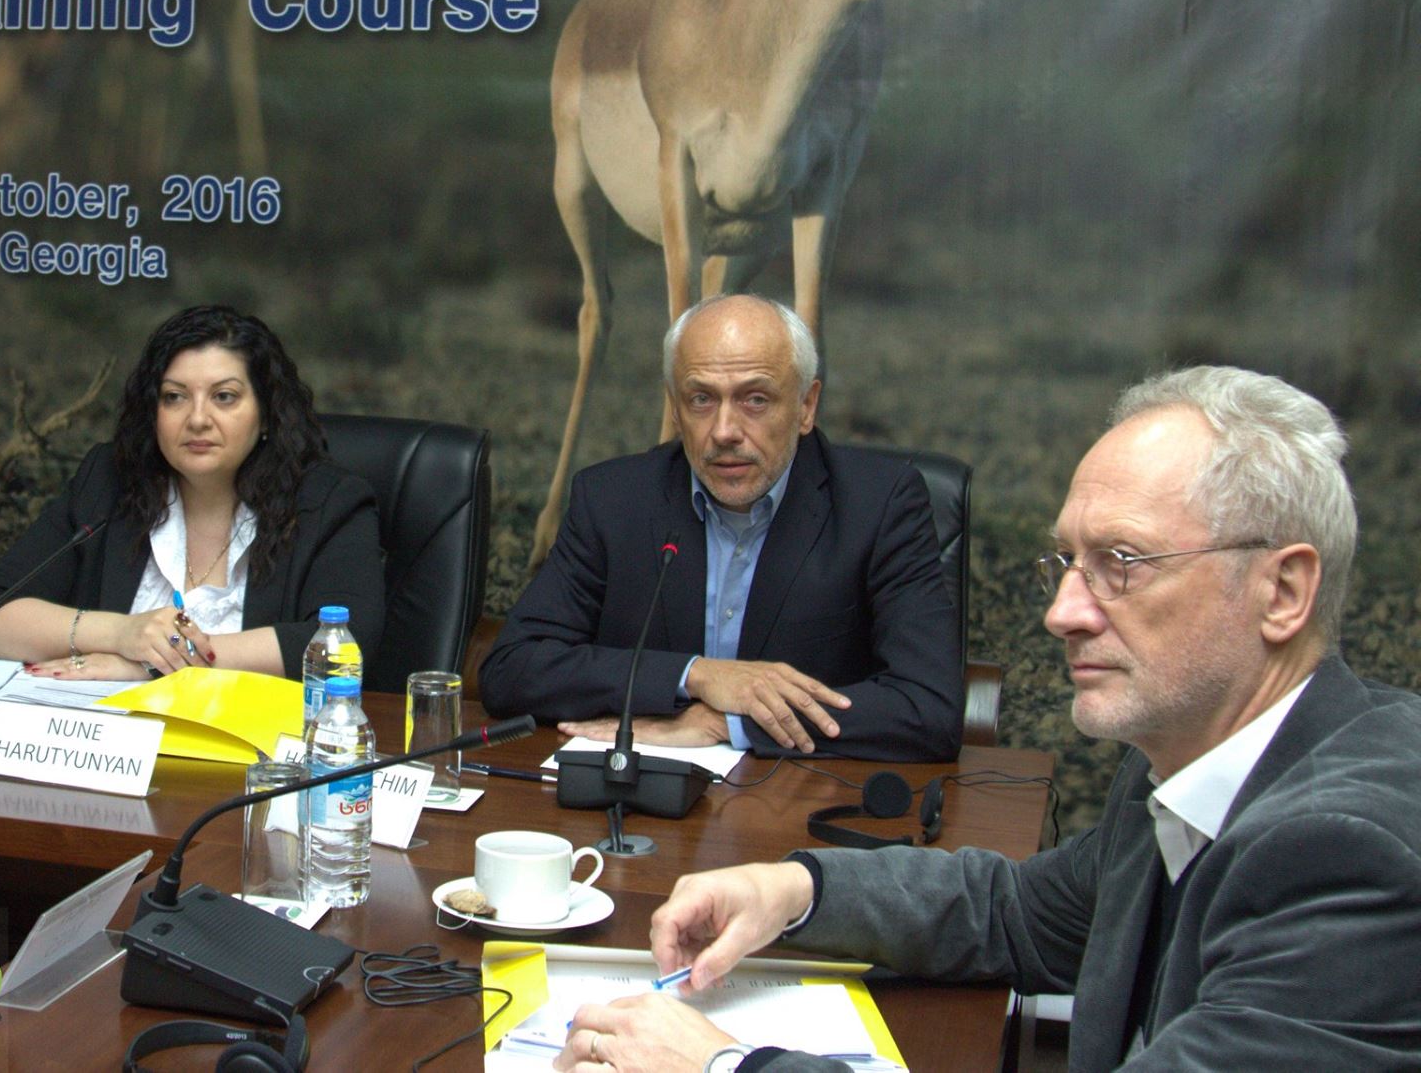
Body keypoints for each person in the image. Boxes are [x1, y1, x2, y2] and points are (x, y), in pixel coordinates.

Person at [556, 367, 1421, 1073]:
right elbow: (1018, 912)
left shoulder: (1345, 851)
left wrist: (723, 1067)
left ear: (1283, 591)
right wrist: (795, 890)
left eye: (1121, 562)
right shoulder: (1191, 764)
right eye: (1067, 561)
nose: (1063, 612)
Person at [479, 295, 961, 760]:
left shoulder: (879, 504)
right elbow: (512, 670)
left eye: (755, 399)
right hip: (645, 789)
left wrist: (725, 722)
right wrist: (696, 675)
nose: (725, 431)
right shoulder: (614, 499)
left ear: (806, 406)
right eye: (702, 399)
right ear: (675, 409)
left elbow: (928, 708)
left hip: (796, 799)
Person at [0, 305, 383, 680]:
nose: (198, 419)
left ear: (266, 414)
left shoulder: (327, 502)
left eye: (224, 397)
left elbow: (344, 645)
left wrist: (151, 664)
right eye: (174, 397)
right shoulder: (110, 482)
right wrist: (121, 634)